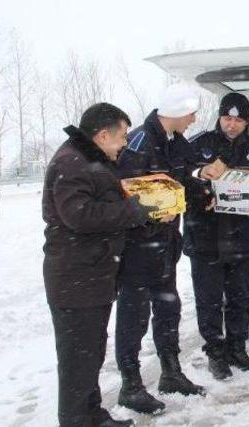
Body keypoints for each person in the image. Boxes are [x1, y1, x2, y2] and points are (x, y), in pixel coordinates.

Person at [42, 103, 153, 426]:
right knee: (78, 359)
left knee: (90, 353)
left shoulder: (88, 159)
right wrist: (133, 211)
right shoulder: (71, 163)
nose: (124, 144)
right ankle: (77, 419)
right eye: (122, 137)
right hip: (76, 278)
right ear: (103, 135)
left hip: (91, 275)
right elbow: (79, 216)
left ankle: (93, 415)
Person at [114, 84, 207, 414]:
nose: (194, 119)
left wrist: (203, 189)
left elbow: (185, 181)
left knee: (168, 309)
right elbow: (123, 195)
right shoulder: (138, 143)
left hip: (166, 243)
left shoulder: (177, 143)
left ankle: (171, 372)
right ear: (178, 112)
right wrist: (151, 213)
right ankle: (130, 385)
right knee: (133, 316)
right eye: (192, 113)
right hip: (138, 247)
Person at [183, 92, 249, 380]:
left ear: (247, 121)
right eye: (227, 118)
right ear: (219, 116)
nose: (232, 125)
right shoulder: (198, 144)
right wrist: (201, 176)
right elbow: (179, 174)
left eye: (239, 120)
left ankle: (237, 348)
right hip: (205, 237)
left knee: (241, 297)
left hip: (240, 237)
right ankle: (215, 353)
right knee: (209, 300)